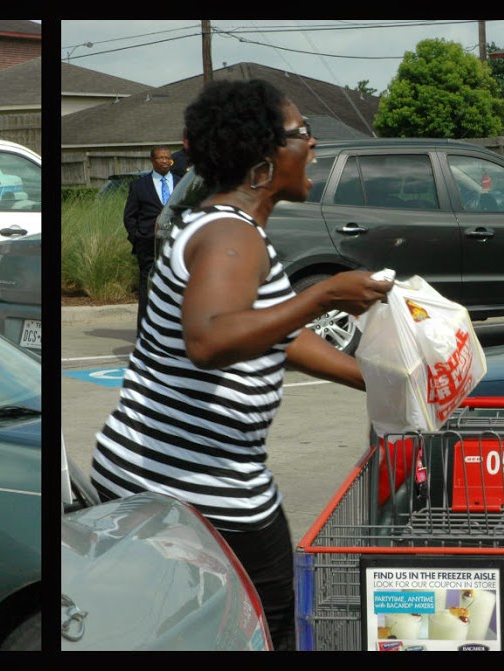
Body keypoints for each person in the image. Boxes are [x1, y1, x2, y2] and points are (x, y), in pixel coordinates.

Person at [89, 79, 393, 651]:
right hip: (200, 491)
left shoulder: (220, 225)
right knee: (270, 630)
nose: (315, 145)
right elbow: (210, 338)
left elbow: (280, 335)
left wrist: (377, 381)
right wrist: (325, 293)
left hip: (147, 474)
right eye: (303, 134)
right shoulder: (233, 234)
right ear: (262, 161)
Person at [123, 145, 182, 332]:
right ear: (152, 160)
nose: (165, 161)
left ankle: (172, 330)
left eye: (168, 158)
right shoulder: (140, 186)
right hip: (148, 246)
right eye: (161, 158)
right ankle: (144, 332)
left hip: (176, 245)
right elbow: (129, 217)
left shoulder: (181, 184)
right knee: (147, 289)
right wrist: (138, 238)